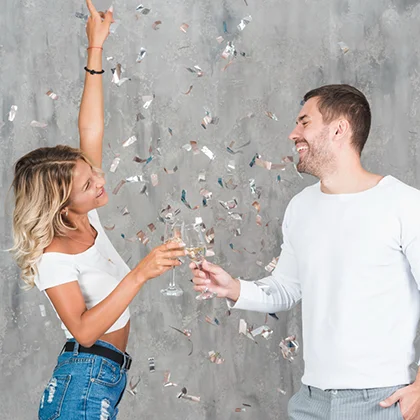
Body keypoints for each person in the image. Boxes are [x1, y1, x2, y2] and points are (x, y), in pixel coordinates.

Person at [191, 84, 420, 420]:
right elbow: (286, 288)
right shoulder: (301, 206)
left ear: (339, 129)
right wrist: (233, 288)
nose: (293, 134)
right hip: (310, 403)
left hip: (382, 403)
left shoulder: (405, 204)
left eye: (304, 122)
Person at [8, 1, 186, 419]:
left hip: (103, 377)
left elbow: (91, 128)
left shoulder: (86, 216)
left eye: (92, 171)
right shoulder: (54, 255)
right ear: (60, 202)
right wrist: (141, 273)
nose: (100, 181)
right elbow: (85, 330)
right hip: (83, 381)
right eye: (88, 184)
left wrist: (95, 47)